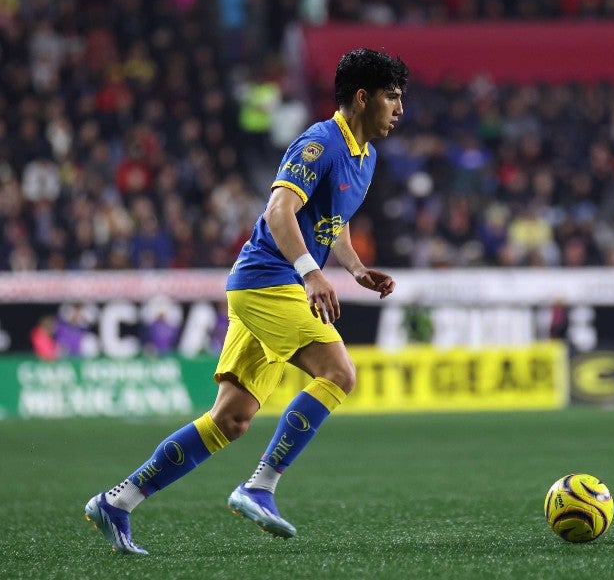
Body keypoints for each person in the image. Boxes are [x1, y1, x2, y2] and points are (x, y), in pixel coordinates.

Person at [84, 48, 408, 554]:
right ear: (361, 97)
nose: (399, 108)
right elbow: (280, 210)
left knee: (230, 419)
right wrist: (311, 272)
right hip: (268, 280)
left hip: (266, 284)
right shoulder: (321, 142)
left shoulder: (365, 157)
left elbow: (331, 220)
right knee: (339, 372)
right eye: (392, 96)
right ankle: (260, 486)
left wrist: (357, 269)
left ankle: (117, 501)